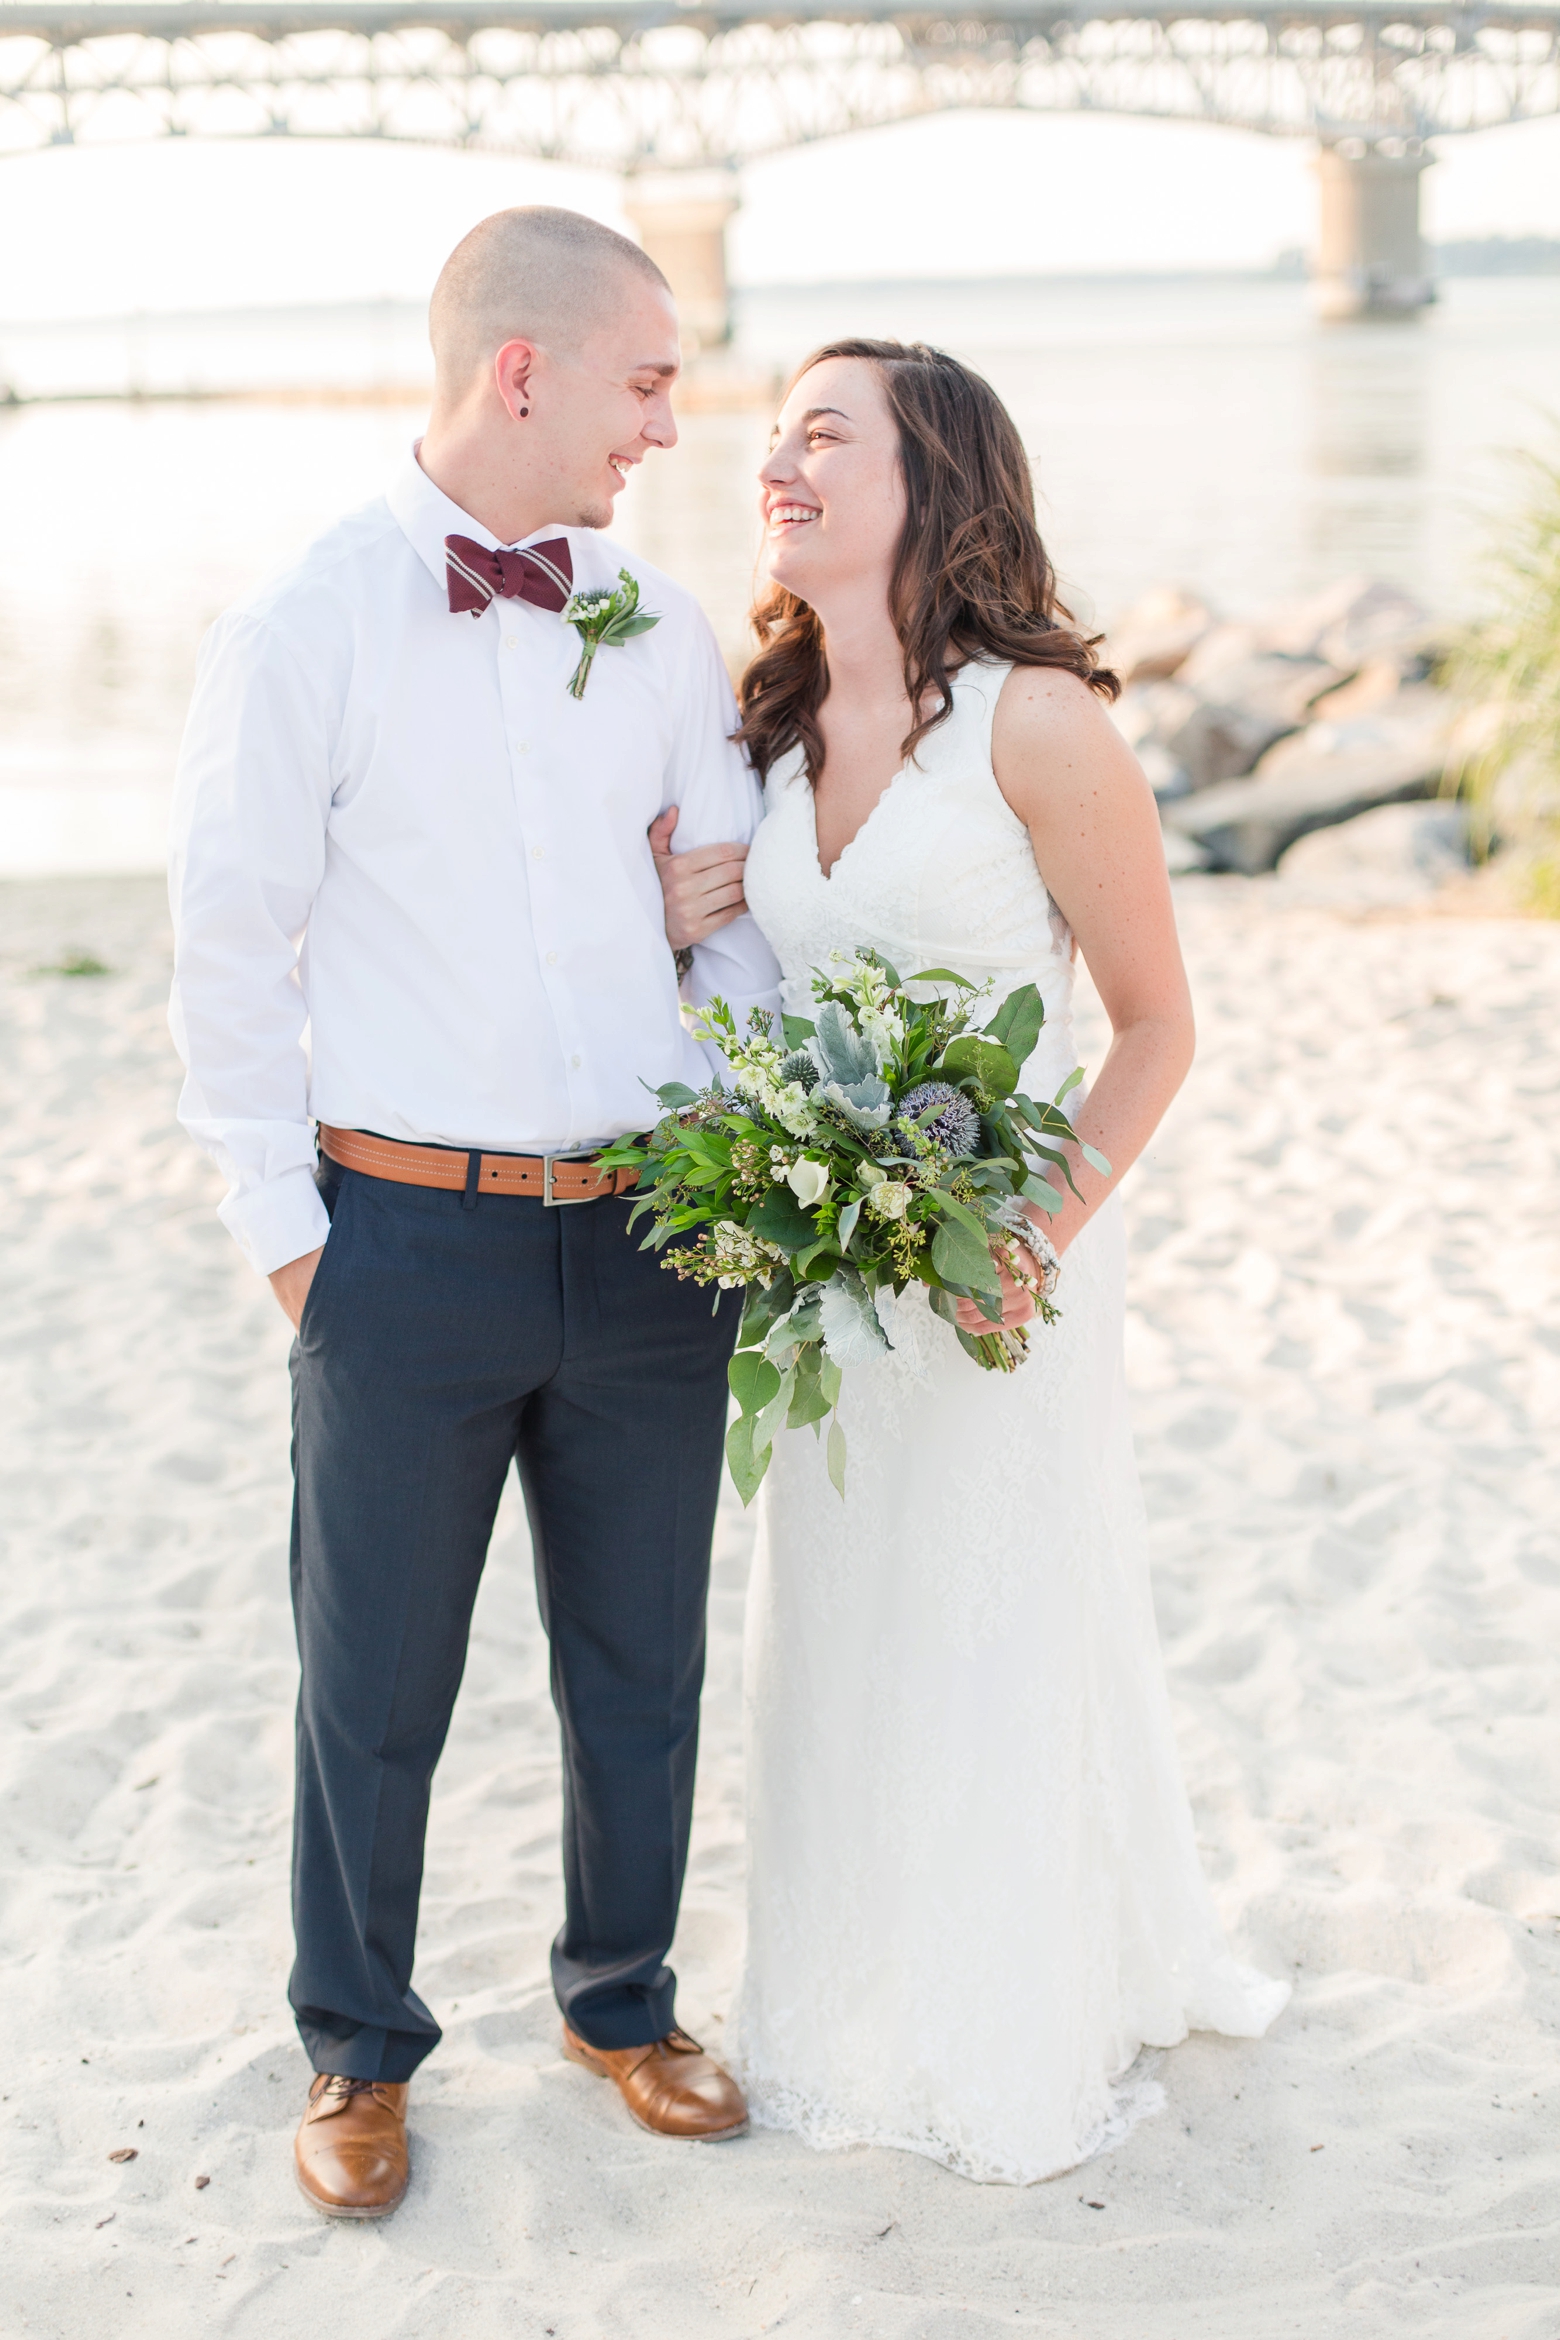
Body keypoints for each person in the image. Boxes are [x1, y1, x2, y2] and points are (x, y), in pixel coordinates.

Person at [168, 207, 779, 2219]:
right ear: (523, 373)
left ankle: (624, 2000)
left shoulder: (668, 630)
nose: (667, 432)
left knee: (641, 1665)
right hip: (399, 1244)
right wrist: (289, 1236)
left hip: (647, 1239)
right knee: (374, 1681)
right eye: (645, 383)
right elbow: (227, 946)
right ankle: (356, 2047)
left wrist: (757, 1138)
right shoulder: (311, 622)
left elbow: (723, 935)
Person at [656, 339, 1289, 2184]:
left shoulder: (1039, 722)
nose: (779, 462)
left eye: (825, 435)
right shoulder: (769, 720)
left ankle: (1006, 2008)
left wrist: (1032, 1231)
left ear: (935, 477)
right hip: (827, 1270)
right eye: (772, 436)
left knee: (989, 1623)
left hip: (1000, 1269)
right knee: (836, 1630)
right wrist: (692, 901)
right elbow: (762, 977)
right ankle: (846, 1997)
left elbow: (1157, 1028)